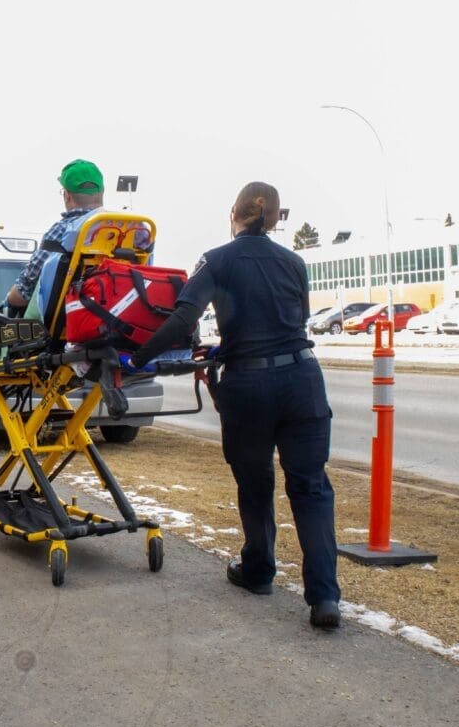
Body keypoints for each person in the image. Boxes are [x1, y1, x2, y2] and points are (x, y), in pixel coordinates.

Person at [128, 182, 341, 630]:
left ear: (234, 213)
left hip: (250, 386)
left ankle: (259, 571)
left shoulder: (217, 260)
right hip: (303, 379)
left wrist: (140, 358)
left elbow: (185, 319)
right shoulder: (295, 262)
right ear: (275, 217)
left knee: (256, 481)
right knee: (311, 488)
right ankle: (324, 599)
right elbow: (293, 319)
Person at [5, 159, 105, 311]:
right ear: (102, 191)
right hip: (118, 321)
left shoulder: (63, 230)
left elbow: (24, 292)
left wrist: (8, 301)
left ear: (66, 195)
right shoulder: (135, 229)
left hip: (66, 324)